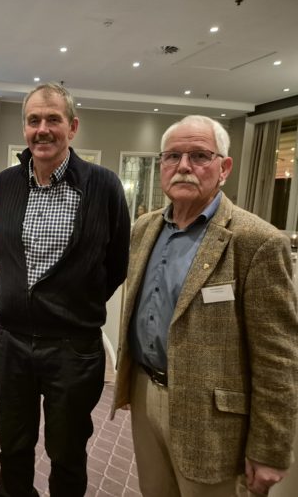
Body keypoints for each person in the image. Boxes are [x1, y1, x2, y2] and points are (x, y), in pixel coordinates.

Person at [112, 115, 298, 497]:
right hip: (146, 393)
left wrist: (270, 449)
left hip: (213, 421)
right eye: (172, 157)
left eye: (199, 155)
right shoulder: (145, 229)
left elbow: (278, 359)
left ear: (224, 167)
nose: (183, 167)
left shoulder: (257, 242)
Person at [0, 82, 130, 497]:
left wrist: (74, 303)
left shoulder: (103, 186)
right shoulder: (5, 185)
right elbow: (4, 251)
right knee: (12, 448)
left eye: (53, 119)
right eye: (34, 120)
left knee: (67, 454)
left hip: (74, 349)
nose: (43, 129)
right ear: (25, 128)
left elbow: (117, 263)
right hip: (10, 343)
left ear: (72, 126)